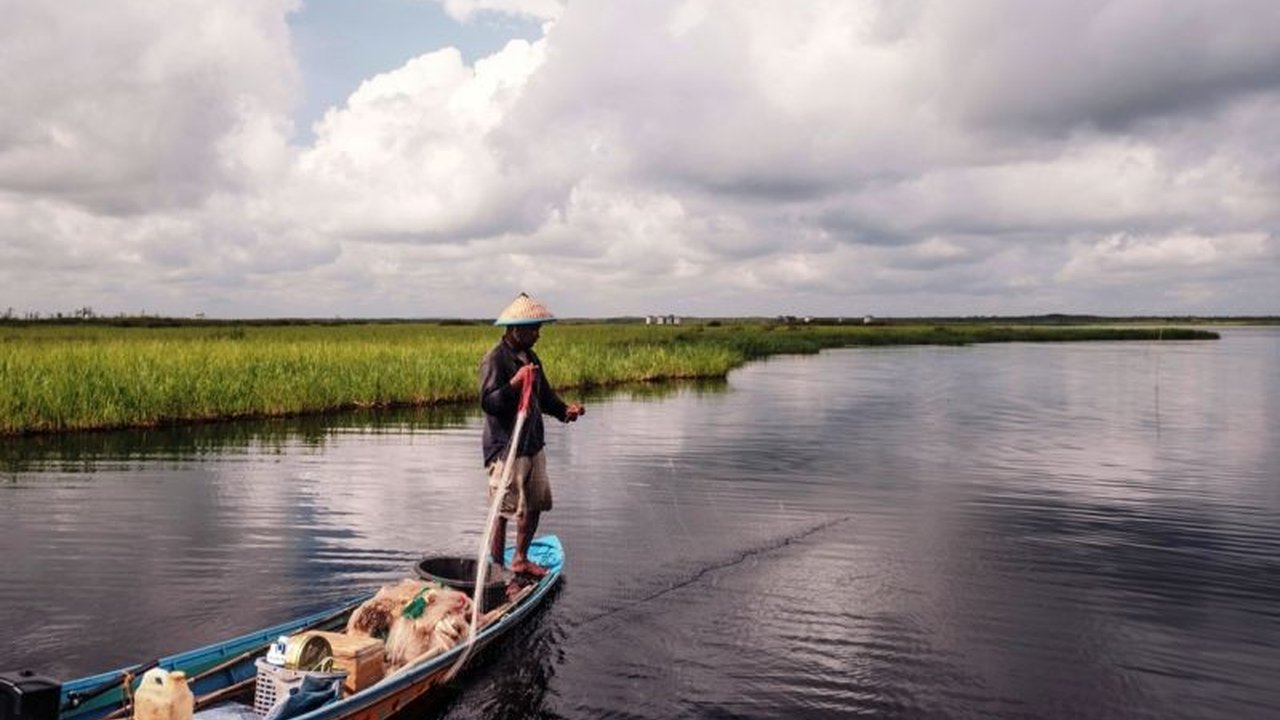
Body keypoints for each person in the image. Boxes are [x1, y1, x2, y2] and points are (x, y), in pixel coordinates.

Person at [479, 293, 584, 577]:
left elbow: (544, 396)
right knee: (503, 510)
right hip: (506, 448)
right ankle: (497, 570)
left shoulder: (531, 357)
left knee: (535, 502)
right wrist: (514, 384)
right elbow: (489, 403)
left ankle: (521, 559)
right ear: (516, 330)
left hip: (532, 444)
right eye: (533, 329)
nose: (538, 334)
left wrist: (565, 411)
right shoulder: (496, 359)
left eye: (539, 328)